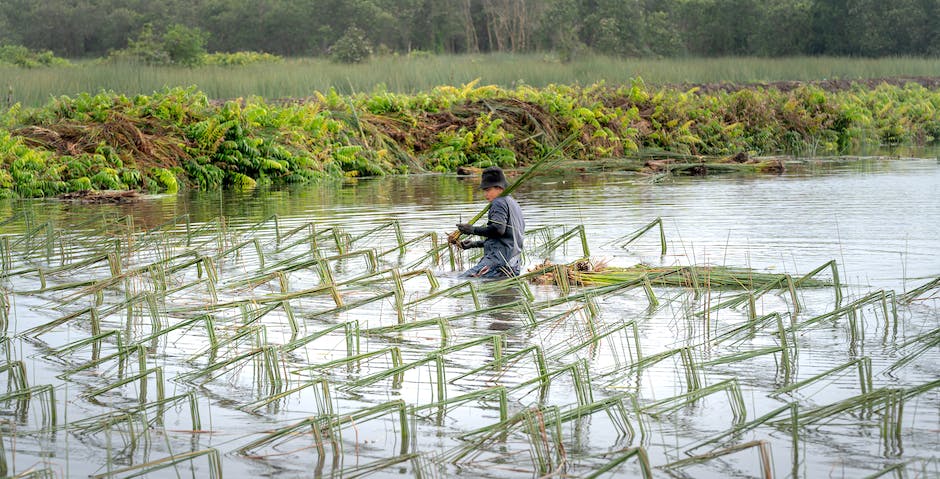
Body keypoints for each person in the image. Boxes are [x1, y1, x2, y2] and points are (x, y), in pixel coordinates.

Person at [452, 166, 525, 278]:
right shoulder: (513, 203)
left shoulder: (499, 202)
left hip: (498, 263)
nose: (485, 195)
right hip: (512, 266)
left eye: (488, 190)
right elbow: (506, 239)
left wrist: (472, 230)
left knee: (461, 281)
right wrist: (474, 244)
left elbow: (498, 230)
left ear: (499, 188)